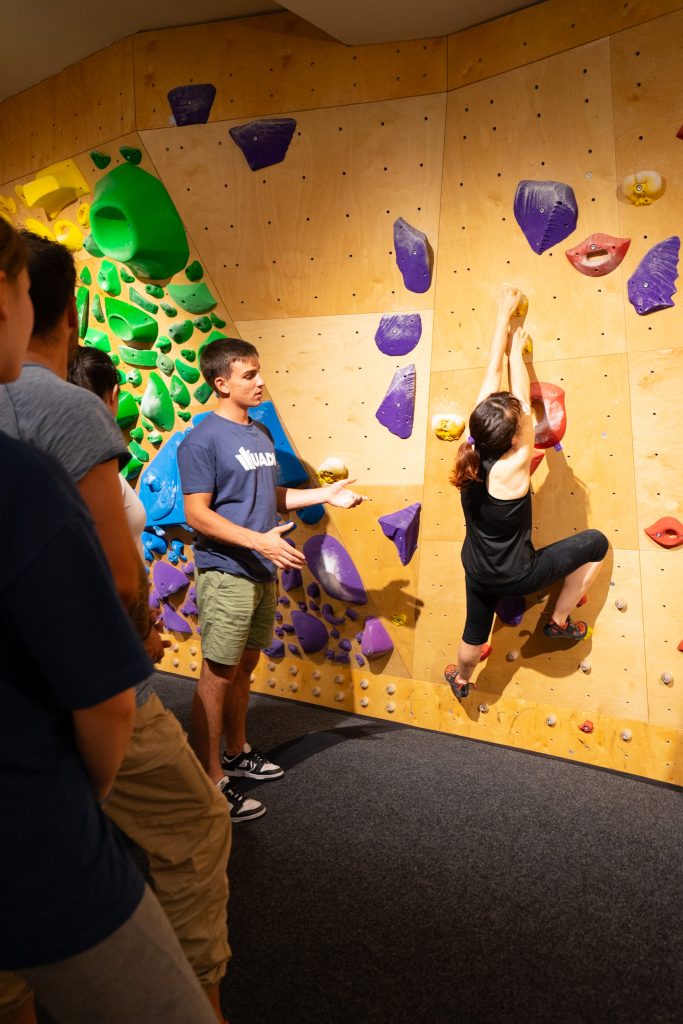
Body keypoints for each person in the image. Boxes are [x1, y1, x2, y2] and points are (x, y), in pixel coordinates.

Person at [0, 234, 231, 1024]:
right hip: (80, 698)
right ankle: (204, 991)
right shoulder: (56, 419)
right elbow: (120, 576)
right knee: (190, 827)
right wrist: (91, 780)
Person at [177, 338, 367, 822]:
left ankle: (236, 753)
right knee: (217, 674)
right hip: (227, 572)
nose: (260, 381)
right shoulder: (202, 440)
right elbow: (196, 514)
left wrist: (325, 495)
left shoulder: (259, 433)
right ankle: (208, 779)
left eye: (259, 372)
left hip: (263, 571)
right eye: (249, 375)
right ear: (222, 383)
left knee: (244, 668)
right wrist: (257, 542)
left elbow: (271, 495)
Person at [444, 287, 608, 697]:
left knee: (474, 632)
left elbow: (490, 375)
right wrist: (517, 354)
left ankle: (461, 679)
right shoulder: (515, 466)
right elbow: (518, 398)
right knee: (597, 544)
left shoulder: (471, 445)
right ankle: (559, 621)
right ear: (515, 440)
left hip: (476, 567)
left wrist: (502, 320)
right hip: (518, 574)